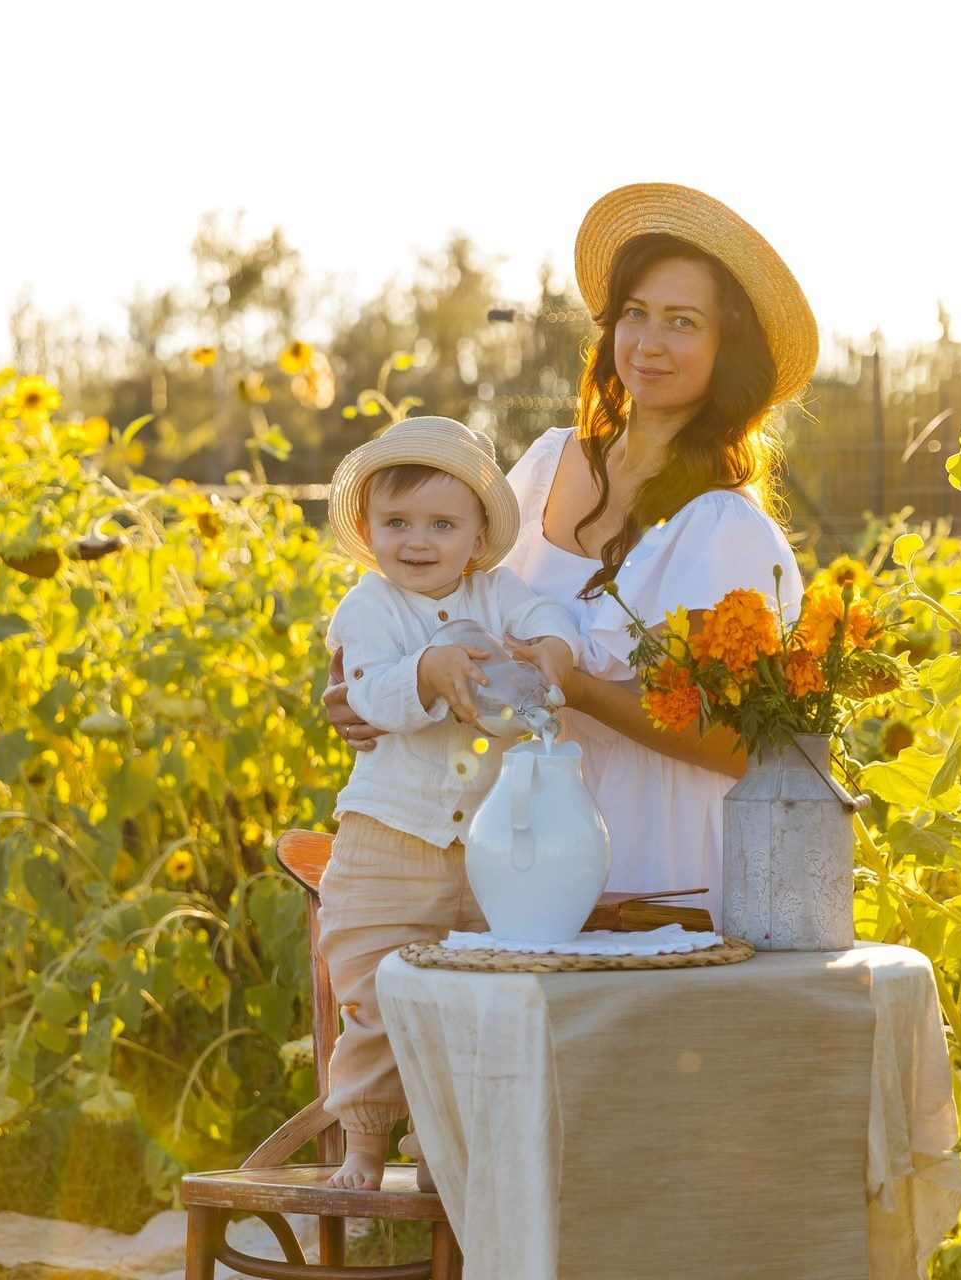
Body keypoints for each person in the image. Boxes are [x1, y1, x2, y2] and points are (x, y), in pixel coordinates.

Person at [325, 182, 817, 927]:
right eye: (634, 314)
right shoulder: (550, 463)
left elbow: (743, 747)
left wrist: (581, 690)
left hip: (651, 867)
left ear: (729, 349)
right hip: (512, 846)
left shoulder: (729, 531)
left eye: (682, 322)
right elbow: (457, 613)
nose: (648, 343)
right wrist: (376, 691)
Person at [317, 414, 580, 1189]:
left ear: (476, 537)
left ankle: (440, 1148)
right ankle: (364, 1144)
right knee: (373, 1001)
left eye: (442, 523)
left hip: (485, 857)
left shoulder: (500, 594)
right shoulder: (368, 609)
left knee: (468, 1004)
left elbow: (549, 623)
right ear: (368, 532)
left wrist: (551, 655)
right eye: (397, 523)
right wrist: (428, 669)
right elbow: (370, 695)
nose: (419, 541)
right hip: (384, 842)